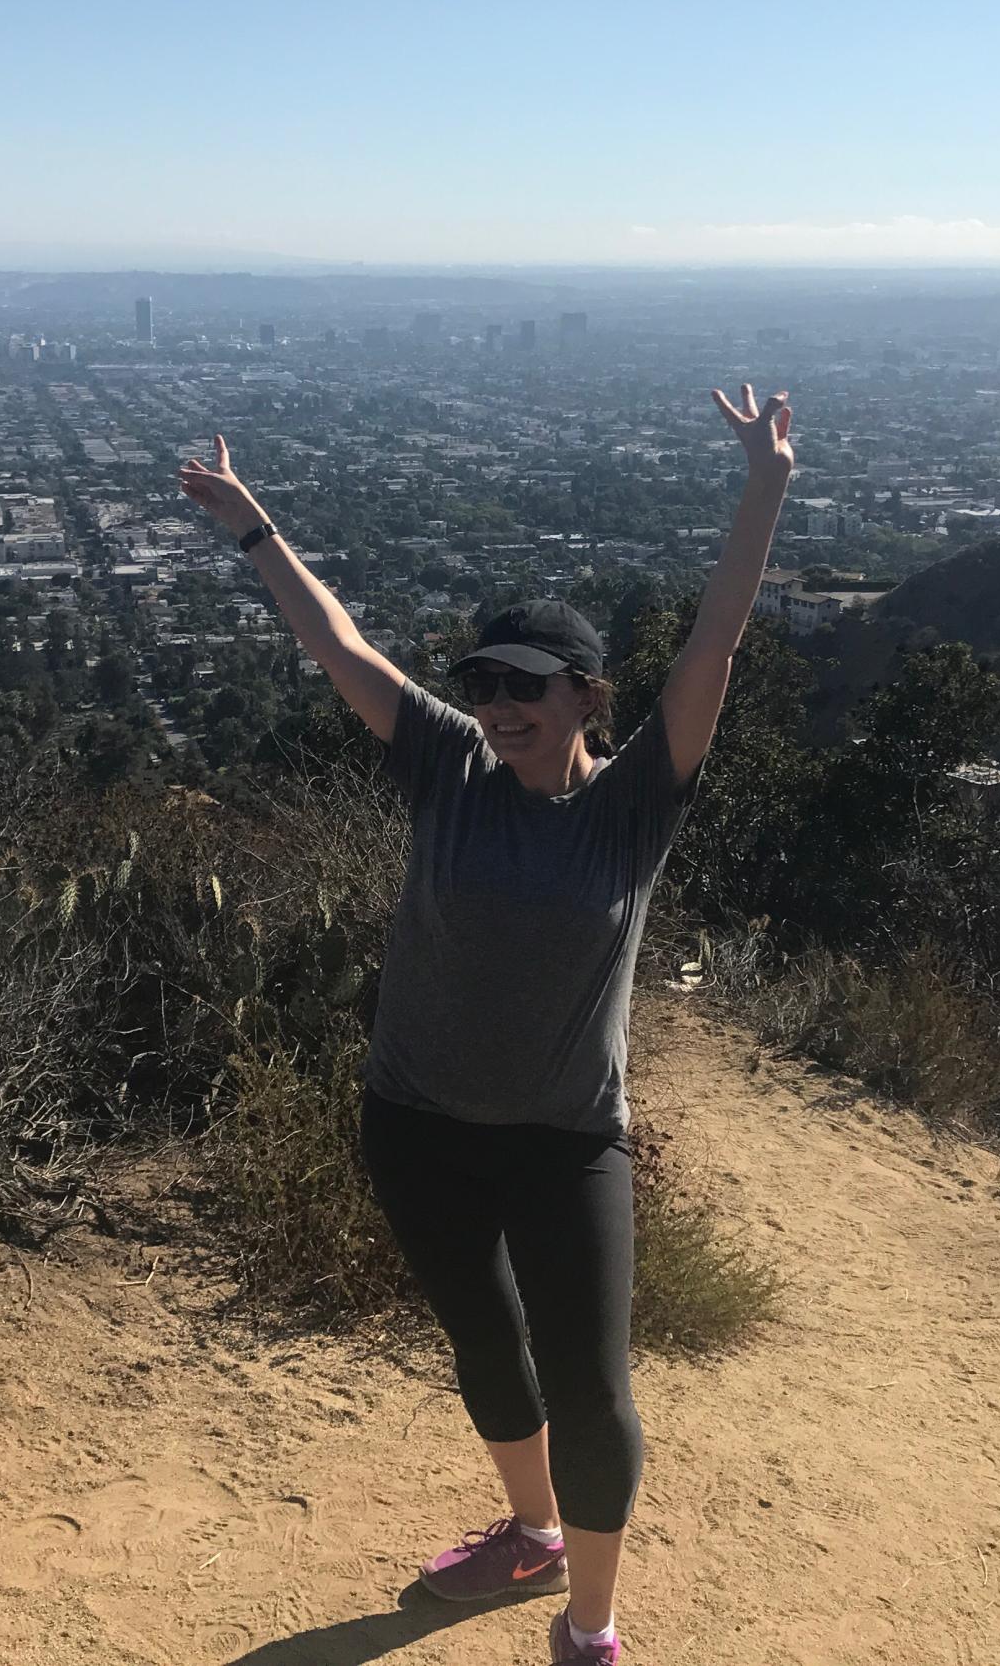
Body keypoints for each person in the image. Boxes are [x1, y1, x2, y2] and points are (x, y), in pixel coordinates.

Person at [179, 385, 796, 1666]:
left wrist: (764, 489)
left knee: (592, 1385)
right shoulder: (446, 762)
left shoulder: (635, 803)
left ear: (585, 697)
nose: (497, 702)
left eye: (524, 684)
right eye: (481, 680)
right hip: (413, 1121)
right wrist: (254, 529)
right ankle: (529, 1536)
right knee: (482, 1340)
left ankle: (590, 1623)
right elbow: (340, 647)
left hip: (568, 1140)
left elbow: (713, 650)